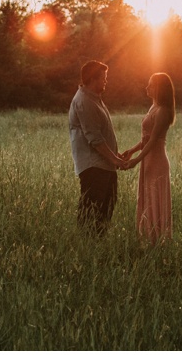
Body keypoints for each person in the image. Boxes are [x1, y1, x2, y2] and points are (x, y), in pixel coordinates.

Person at [68, 60, 126, 236]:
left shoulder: (94, 99)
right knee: (92, 210)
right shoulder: (84, 101)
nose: (106, 81)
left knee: (106, 208)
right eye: (103, 78)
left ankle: (98, 246)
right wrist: (115, 159)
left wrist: (115, 155)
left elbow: (102, 134)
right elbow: (94, 139)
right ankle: (87, 247)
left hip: (104, 164)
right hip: (94, 166)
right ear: (93, 79)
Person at [122, 72, 175, 244]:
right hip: (148, 159)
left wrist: (136, 160)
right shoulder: (153, 107)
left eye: (151, 84)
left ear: (159, 88)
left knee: (155, 197)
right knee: (147, 196)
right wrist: (131, 151)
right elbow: (145, 138)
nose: (147, 87)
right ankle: (147, 237)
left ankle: (157, 239)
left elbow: (153, 140)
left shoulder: (163, 111)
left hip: (157, 161)